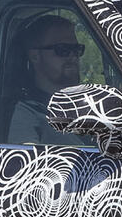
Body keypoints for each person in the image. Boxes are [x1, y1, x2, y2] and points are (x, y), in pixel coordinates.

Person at [6, 14, 88, 145]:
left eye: (76, 49)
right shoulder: (27, 113)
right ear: (35, 56)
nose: (73, 56)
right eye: (62, 50)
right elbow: (25, 162)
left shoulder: (88, 104)